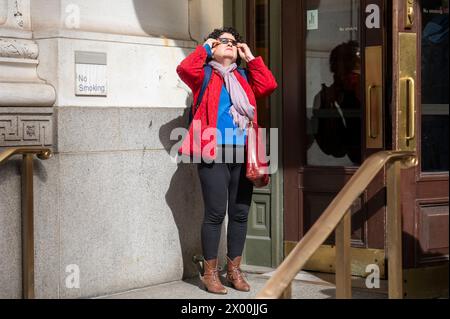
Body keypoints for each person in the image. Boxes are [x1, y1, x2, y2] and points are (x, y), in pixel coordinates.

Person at [176, 27, 277, 294]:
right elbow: (185, 69)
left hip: (244, 151)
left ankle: (233, 270)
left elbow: (268, 85)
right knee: (215, 212)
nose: (230, 45)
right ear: (212, 46)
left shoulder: (244, 76)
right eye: (224, 42)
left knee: (240, 213)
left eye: (234, 43)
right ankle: (210, 273)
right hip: (213, 149)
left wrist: (251, 57)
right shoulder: (204, 74)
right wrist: (206, 47)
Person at [311, 40, 362, 165]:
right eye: (345, 74)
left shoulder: (369, 93)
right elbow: (334, 148)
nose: (350, 79)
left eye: (355, 74)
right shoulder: (327, 97)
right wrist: (330, 106)